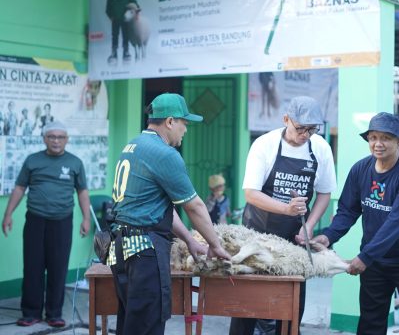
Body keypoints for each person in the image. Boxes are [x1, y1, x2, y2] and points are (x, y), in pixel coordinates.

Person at [108, 93, 231, 335]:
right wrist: (215, 244)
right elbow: (194, 206)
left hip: (120, 251)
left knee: (130, 324)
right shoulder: (165, 154)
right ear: (170, 122)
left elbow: (160, 206)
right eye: (185, 123)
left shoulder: (133, 146)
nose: (186, 130)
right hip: (145, 253)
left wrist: (189, 240)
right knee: (146, 326)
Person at [312, 112, 399, 335]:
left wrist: (364, 257)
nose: (378, 144)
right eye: (373, 138)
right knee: (371, 322)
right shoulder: (360, 170)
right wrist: (329, 236)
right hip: (376, 261)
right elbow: (348, 211)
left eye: (386, 138)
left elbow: (395, 223)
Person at [229, 95, 337, 335]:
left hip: (294, 240)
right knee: (247, 304)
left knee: (290, 306)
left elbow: (324, 194)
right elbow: (251, 194)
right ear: (286, 119)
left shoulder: (320, 148)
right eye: (301, 128)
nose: (306, 134)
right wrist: (285, 208)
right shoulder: (264, 144)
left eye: (312, 129)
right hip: (257, 236)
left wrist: (309, 226)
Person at [1, 121, 91, 328]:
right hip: (35, 219)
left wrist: (86, 218)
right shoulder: (32, 161)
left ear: (67, 139)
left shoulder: (75, 163)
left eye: (60, 137)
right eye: (52, 137)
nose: (56, 141)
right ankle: (30, 312)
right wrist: (8, 214)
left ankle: (54, 313)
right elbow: (19, 188)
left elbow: (82, 192)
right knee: (33, 266)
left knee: (58, 267)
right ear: (44, 139)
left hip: (62, 221)